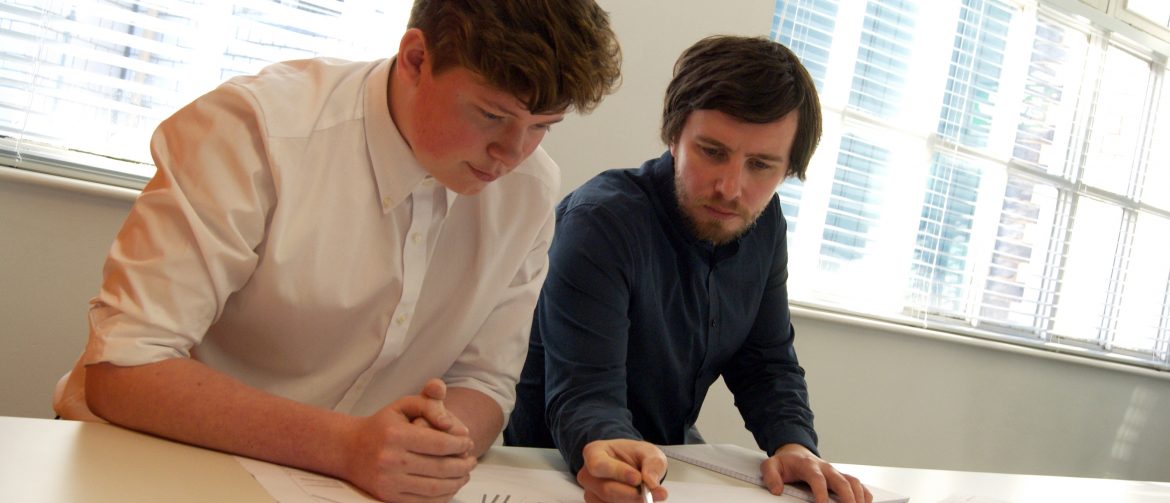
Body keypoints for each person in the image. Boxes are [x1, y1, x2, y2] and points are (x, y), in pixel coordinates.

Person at [51, 1, 620, 501]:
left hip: (347, 485)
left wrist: (431, 450)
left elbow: (487, 382)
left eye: (542, 126)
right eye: (492, 115)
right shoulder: (255, 130)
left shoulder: (530, 190)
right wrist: (347, 446)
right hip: (151, 464)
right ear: (416, 59)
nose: (511, 153)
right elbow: (125, 367)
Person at [504, 35, 872, 503]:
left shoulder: (763, 223)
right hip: (560, 469)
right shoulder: (600, 223)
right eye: (713, 152)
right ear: (674, 136)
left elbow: (766, 362)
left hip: (668, 465)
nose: (731, 188)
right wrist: (608, 448)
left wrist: (793, 443)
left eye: (761, 165)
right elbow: (585, 391)